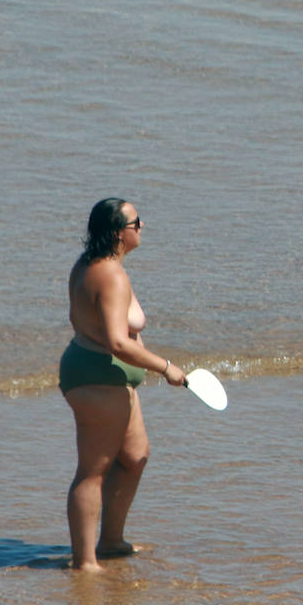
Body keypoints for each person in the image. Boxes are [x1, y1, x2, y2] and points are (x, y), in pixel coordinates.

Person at [60, 198, 186, 572]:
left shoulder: (94, 265)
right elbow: (116, 341)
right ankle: (85, 562)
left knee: (135, 457)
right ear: (119, 233)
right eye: (137, 222)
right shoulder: (109, 275)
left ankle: (112, 541)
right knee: (93, 470)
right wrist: (166, 367)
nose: (142, 227)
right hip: (96, 376)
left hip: (111, 376)